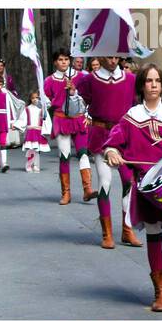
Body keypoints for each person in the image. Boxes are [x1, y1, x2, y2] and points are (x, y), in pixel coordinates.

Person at [103, 64, 162, 311]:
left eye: (157, 80)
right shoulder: (131, 117)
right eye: (148, 81)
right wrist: (112, 152)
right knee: (154, 235)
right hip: (147, 187)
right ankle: (161, 292)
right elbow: (114, 141)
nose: (153, 85)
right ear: (141, 86)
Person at [71, 55, 139, 250]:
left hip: (124, 136)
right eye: (109, 55)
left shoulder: (130, 79)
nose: (113, 59)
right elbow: (76, 109)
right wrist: (73, 95)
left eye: (116, 55)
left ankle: (127, 230)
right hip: (101, 135)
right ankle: (107, 233)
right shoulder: (89, 80)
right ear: (100, 55)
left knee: (129, 182)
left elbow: (136, 108)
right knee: (105, 182)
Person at [43, 49, 94, 205]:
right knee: (64, 156)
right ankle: (66, 193)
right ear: (55, 62)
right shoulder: (49, 81)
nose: (64, 62)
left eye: (66, 59)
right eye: (60, 59)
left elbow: (90, 97)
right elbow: (46, 100)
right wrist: (44, 102)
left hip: (79, 119)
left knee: (83, 153)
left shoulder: (80, 77)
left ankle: (87, 189)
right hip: (61, 119)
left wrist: (88, 114)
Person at [15, 89, 49, 173]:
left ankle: (36, 165)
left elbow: (46, 120)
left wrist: (46, 129)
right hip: (31, 132)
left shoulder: (41, 110)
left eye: (37, 97)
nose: (35, 99)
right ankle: (29, 165)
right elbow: (22, 120)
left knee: (37, 150)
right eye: (33, 98)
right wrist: (16, 125)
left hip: (38, 132)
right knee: (30, 149)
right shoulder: (27, 109)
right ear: (30, 99)